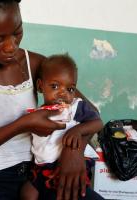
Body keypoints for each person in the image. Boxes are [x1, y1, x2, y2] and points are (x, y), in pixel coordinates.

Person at [0, 0, 103, 199]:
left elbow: (89, 113)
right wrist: (20, 125)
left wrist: (74, 151)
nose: (11, 47)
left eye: (17, 32)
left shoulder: (35, 63)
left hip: (39, 173)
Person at [20, 54, 104, 200]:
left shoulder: (75, 107)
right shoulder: (38, 114)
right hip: (42, 167)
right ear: (40, 86)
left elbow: (98, 123)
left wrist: (77, 130)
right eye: (55, 86)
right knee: (27, 193)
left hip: (70, 164)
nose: (63, 93)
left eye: (70, 89)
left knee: (70, 192)